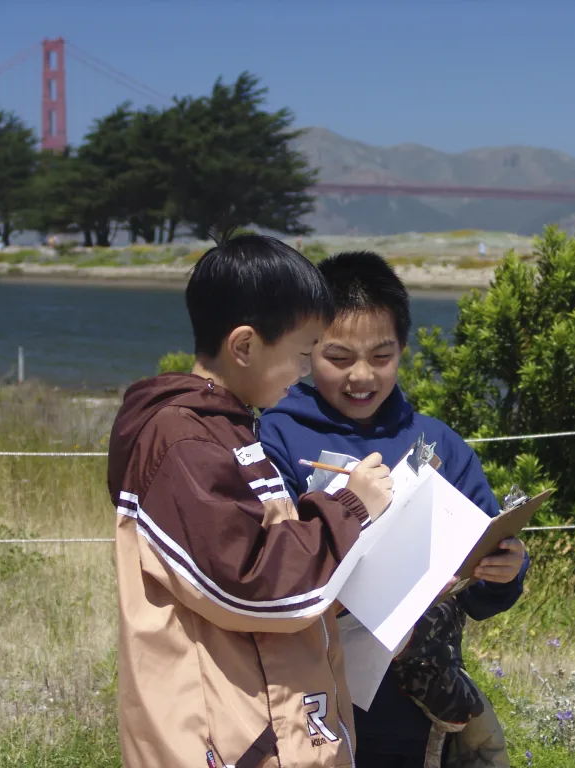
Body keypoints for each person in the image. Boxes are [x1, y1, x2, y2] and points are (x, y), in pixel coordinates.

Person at [106, 233, 395, 768]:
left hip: (270, 719)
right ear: (244, 346)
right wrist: (350, 508)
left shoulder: (229, 429)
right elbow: (252, 584)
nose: (305, 372)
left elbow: (260, 549)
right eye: (302, 354)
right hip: (227, 737)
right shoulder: (183, 442)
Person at [260, 251, 528, 768]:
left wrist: (505, 571)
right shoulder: (276, 435)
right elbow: (267, 565)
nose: (361, 376)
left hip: (416, 708)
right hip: (307, 698)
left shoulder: (439, 443)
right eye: (338, 358)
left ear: (403, 349)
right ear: (307, 349)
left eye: (381, 357)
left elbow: (486, 581)